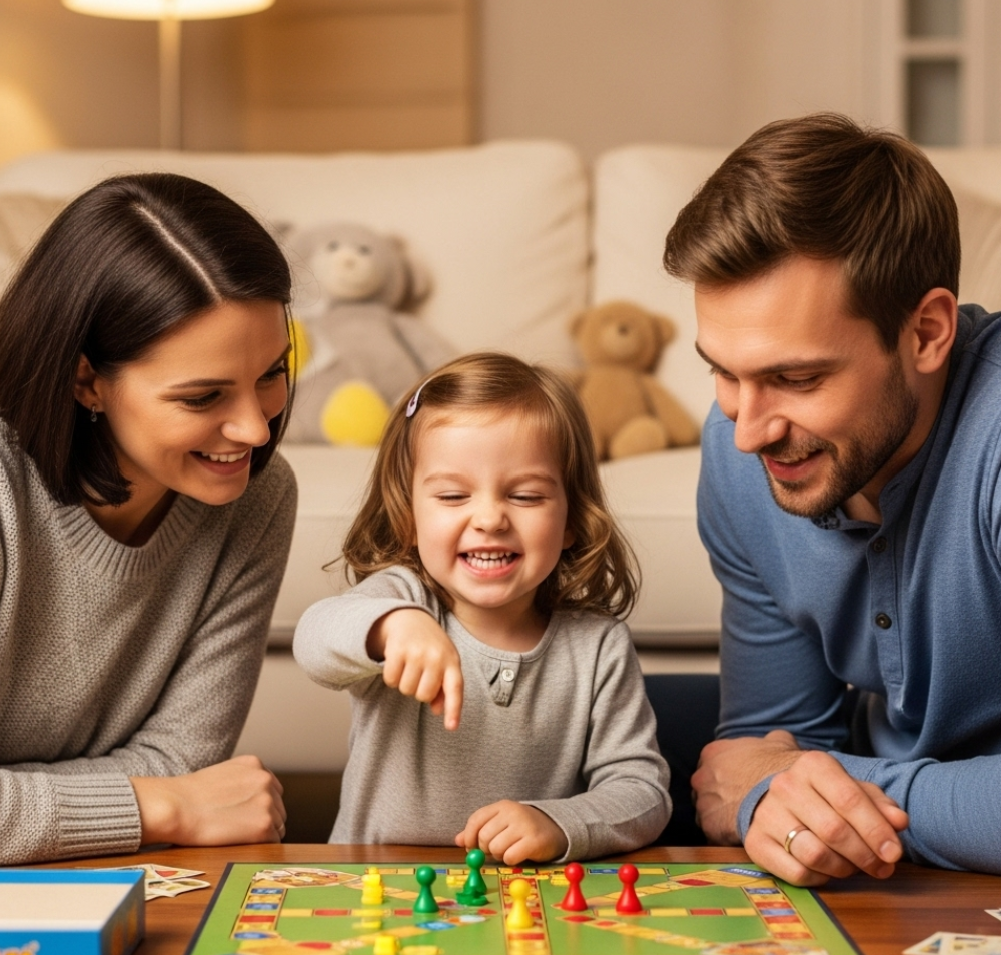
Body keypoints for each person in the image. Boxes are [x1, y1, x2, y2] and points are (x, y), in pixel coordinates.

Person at [663, 112, 1001, 885]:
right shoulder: (738, 442)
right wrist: (781, 785)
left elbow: (765, 780)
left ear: (926, 333)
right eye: (724, 371)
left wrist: (821, 787)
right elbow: (773, 749)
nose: (749, 431)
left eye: (798, 378)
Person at [0, 172, 298, 865]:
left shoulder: (258, 496)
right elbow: (185, 787)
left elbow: (182, 755)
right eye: (203, 397)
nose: (255, 430)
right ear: (86, 382)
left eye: (272, 372)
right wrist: (161, 805)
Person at [293, 351, 671, 864]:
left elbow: (641, 791)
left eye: (526, 496)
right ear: (409, 518)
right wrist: (392, 627)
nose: (490, 518)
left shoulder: (597, 646)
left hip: (520, 901)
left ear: (573, 521)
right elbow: (314, 639)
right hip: (378, 894)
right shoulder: (400, 600)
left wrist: (559, 824)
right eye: (452, 496)